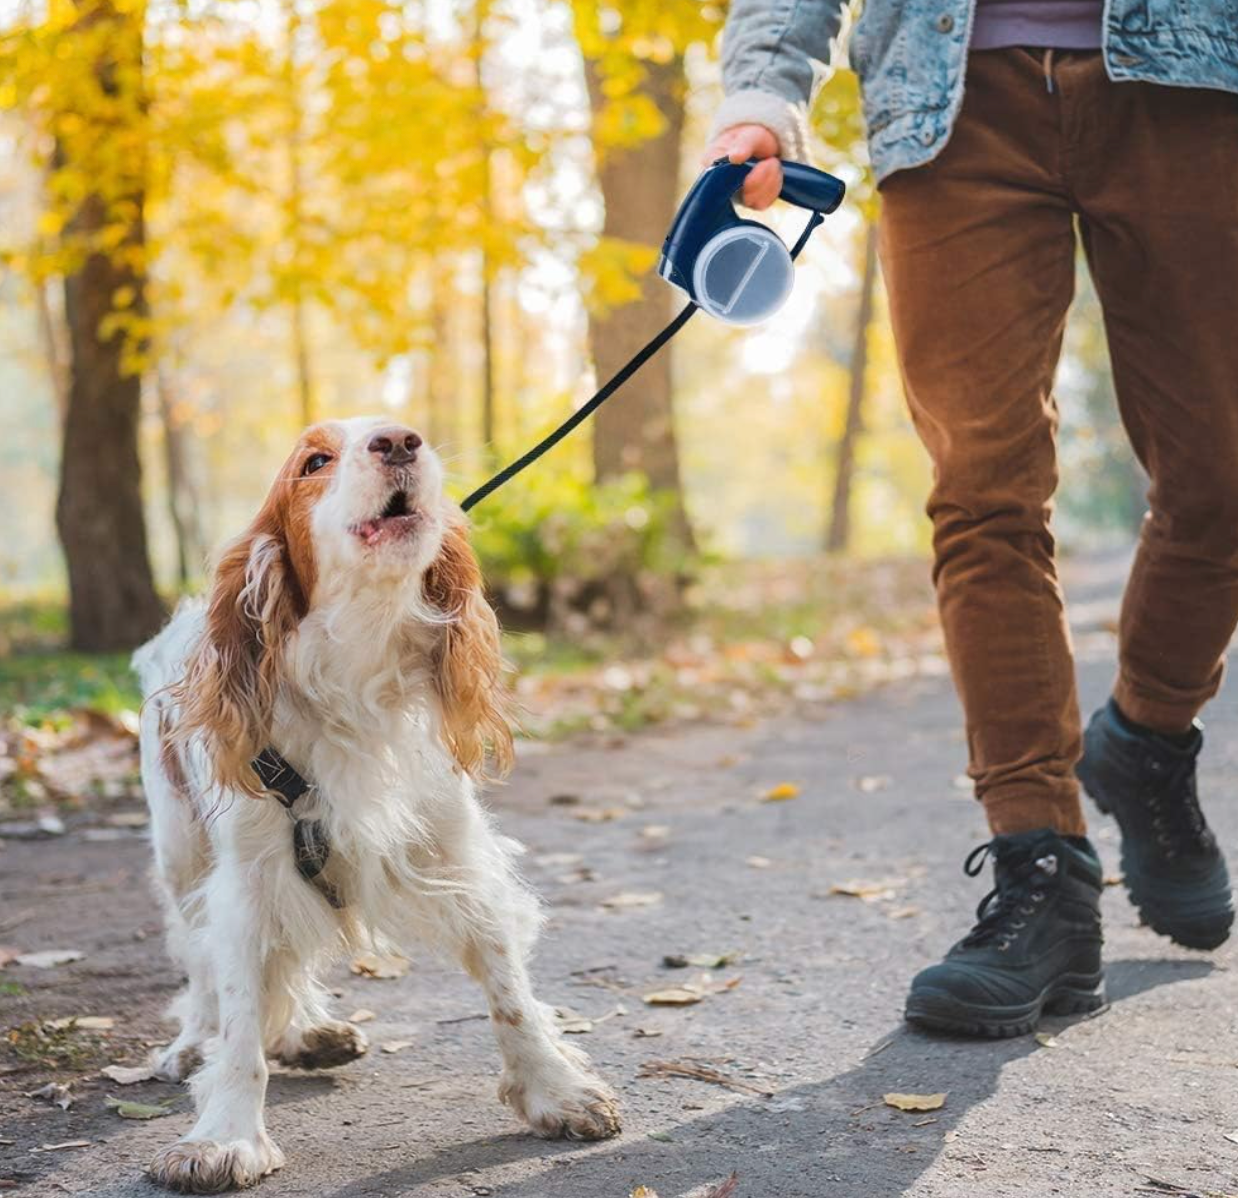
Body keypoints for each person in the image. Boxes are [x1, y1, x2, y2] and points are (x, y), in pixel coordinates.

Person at [704, 0, 1238, 1037]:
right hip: (946, 102)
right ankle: (1041, 869)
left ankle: (1147, 735)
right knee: (983, 493)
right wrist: (763, 91)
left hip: (1190, 83)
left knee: (1219, 475)